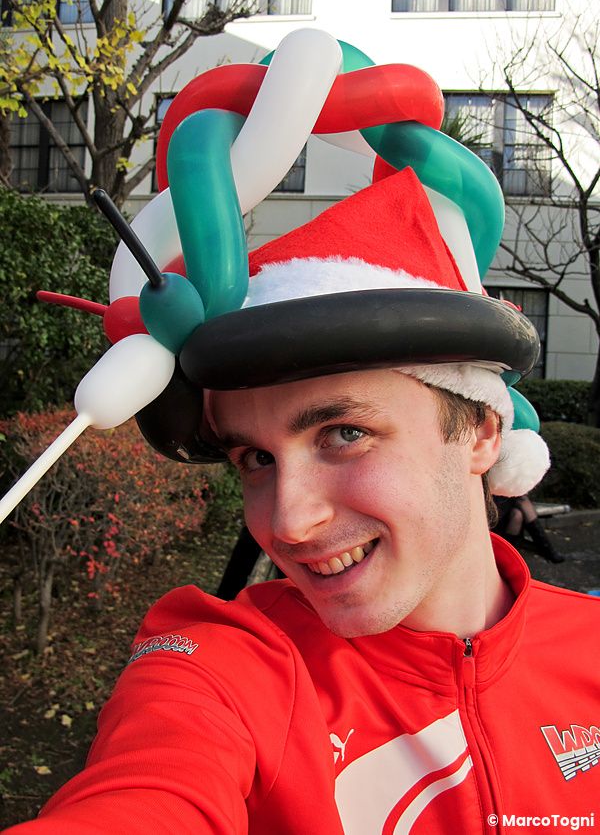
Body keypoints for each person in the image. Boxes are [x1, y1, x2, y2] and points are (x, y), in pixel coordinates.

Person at [6, 47, 600, 833]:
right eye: (254, 458)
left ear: (483, 430)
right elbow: (149, 791)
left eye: (343, 432)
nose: (287, 524)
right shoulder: (229, 668)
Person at [493, 494, 565, 564]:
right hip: (494, 507)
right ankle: (547, 549)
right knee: (523, 501)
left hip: (505, 503)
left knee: (518, 514)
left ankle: (508, 554)